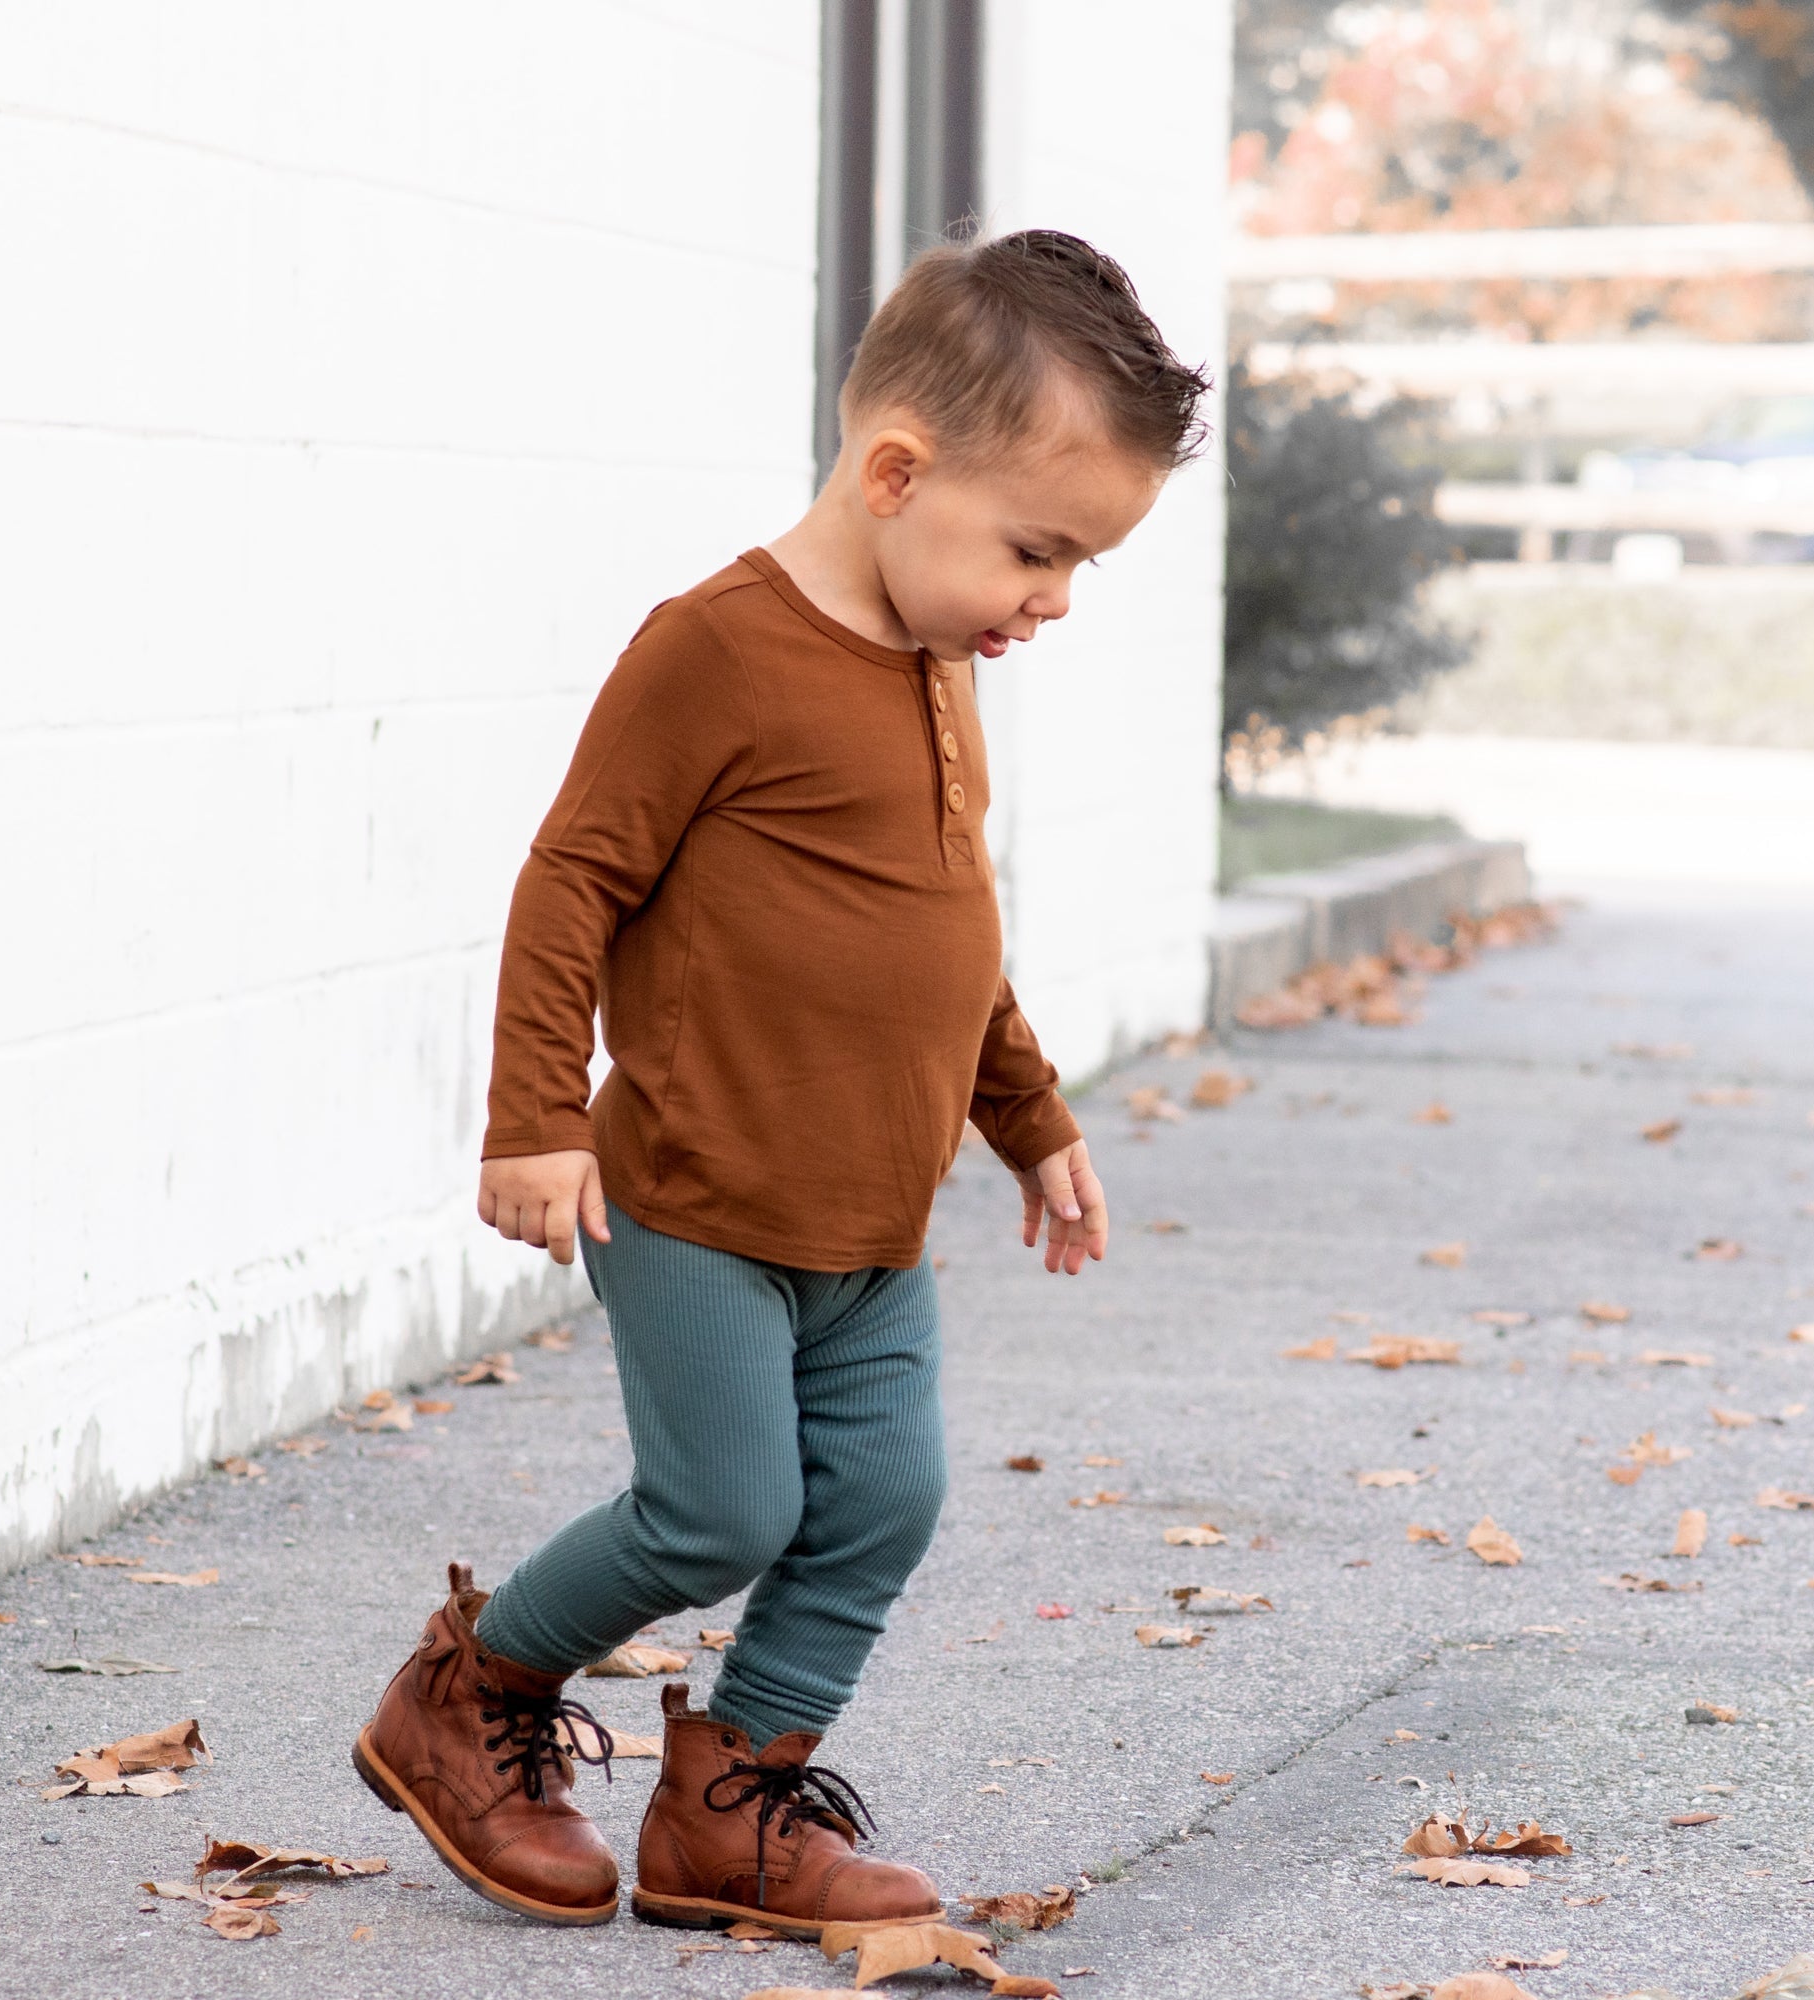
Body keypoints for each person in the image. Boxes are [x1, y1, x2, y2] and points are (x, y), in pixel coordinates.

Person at [352, 229, 1210, 1936]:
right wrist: (534, 1114)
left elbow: (945, 930)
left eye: (1079, 569)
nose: (1050, 599)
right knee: (722, 1508)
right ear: (896, 472)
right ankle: (466, 1693)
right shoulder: (719, 651)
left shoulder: (941, 663)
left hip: (871, 1221)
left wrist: (1028, 1120)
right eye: (1037, 551)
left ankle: (729, 1804)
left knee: (884, 1499)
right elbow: (571, 879)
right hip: (695, 1198)